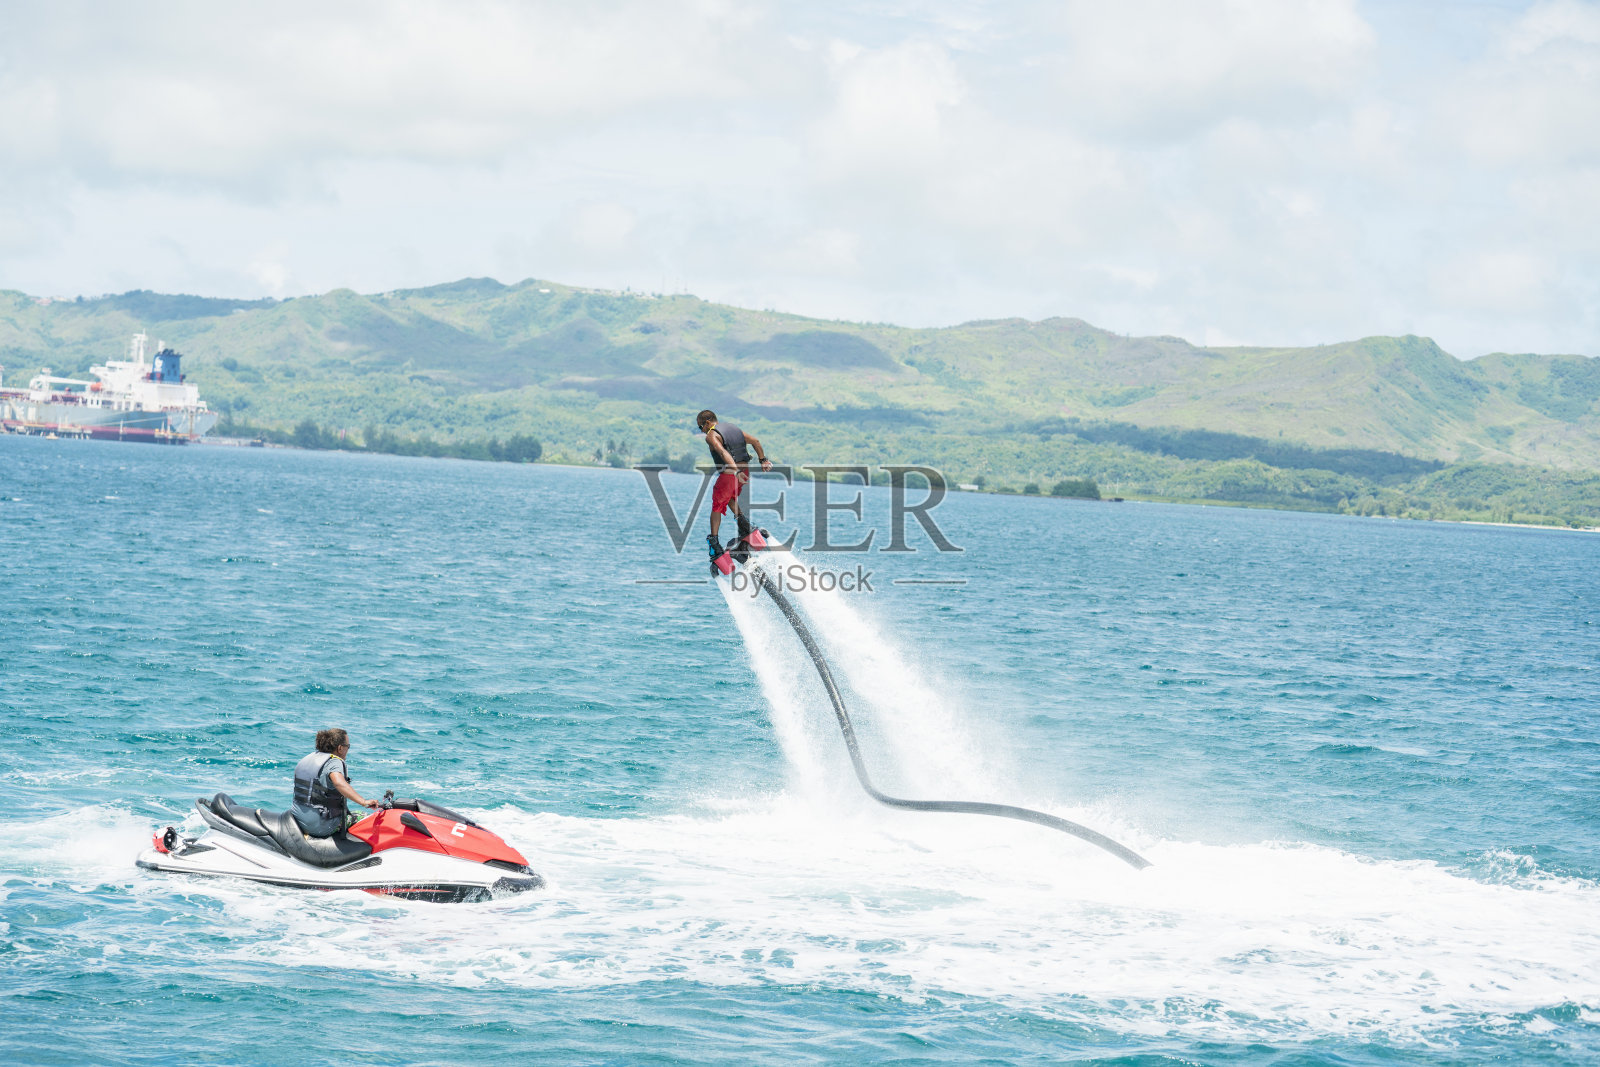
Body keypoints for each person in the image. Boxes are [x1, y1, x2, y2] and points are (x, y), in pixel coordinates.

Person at [697, 409, 772, 560]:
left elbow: (723, 452)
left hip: (731, 473)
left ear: (707, 423)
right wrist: (763, 460)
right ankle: (745, 526)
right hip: (745, 471)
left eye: (701, 427)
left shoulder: (712, 435)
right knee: (729, 497)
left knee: (717, 505)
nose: (702, 431)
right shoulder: (734, 429)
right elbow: (756, 441)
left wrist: (736, 471)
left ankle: (714, 544)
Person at [288, 728, 376, 837]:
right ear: (340, 748)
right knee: (365, 817)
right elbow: (339, 782)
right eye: (348, 746)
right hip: (319, 825)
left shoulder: (308, 758)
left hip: (298, 820)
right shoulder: (334, 761)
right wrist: (364, 802)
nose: (348, 750)